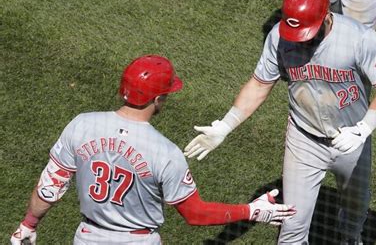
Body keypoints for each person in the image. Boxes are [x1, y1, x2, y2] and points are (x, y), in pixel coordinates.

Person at [184, 0, 376, 244]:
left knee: (355, 211)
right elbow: (260, 84)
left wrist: (363, 130)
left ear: (326, 16)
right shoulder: (279, 36)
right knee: (291, 226)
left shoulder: (359, 38)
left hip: (352, 139)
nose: (303, 40)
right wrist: (225, 126)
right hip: (304, 140)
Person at [11, 55, 296, 245]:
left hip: (87, 237)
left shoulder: (81, 125)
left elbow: (49, 188)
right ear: (158, 99)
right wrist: (252, 211)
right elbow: (195, 213)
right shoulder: (164, 152)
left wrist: (29, 224)